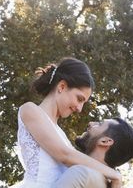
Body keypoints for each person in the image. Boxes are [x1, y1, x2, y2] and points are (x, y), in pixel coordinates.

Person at [13, 58, 123, 187]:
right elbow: (64, 155)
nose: (79, 108)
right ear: (62, 86)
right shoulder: (30, 110)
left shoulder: (60, 134)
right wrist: (113, 174)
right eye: (79, 99)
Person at [56, 118, 133, 188]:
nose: (91, 123)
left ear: (105, 141)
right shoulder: (99, 182)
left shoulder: (82, 174)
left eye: (100, 124)